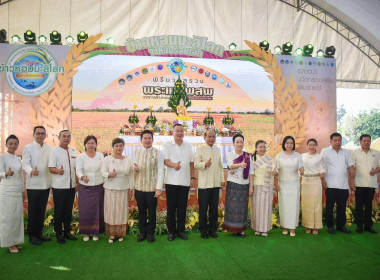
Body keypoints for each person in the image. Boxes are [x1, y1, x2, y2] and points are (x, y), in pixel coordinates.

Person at [163, 124, 196, 241]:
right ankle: (171, 232)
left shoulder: (188, 146)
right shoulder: (167, 145)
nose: (179, 133)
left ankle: (181, 231)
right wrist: (174, 165)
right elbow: (165, 161)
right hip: (171, 181)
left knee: (182, 208)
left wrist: (193, 178)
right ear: (173, 132)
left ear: (184, 133)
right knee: (171, 208)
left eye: (181, 131)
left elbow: (192, 163)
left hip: (184, 181)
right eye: (177, 131)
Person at [22, 126, 52, 245]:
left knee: (41, 210)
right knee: (33, 210)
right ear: (33, 134)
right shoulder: (28, 147)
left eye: (42, 133)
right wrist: (31, 171)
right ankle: (32, 235)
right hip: (33, 185)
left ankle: (39, 233)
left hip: (45, 184)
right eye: (38, 133)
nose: (40, 135)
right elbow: (25, 163)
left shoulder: (49, 147)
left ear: (45, 135)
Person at [134, 130, 164, 243]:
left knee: (152, 211)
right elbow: (134, 167)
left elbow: (161, 171)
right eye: (145, 138)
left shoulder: (158, 153)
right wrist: (134, 168)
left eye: (149, 138)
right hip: (139, 187)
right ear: (141, 140)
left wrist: (158, 188)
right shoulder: (136, 152)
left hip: (152, 188)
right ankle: (143, 232)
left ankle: (151, 233)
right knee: (141, 211)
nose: (147, 140)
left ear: (152, 140)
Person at [101, 138, 133, 243]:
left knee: (121, 211)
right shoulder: (107, 159)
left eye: (121, 145)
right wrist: (110, 174)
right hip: (110, 188)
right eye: (117, 146)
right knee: (111, 210)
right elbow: (103, 173)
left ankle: (120, 233)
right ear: (113, 147)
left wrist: (130, 188)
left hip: (123, 188)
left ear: (123, 147)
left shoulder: (127, 159)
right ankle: (112, 233)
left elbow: (130, 174)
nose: (119, 148)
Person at [321, 132, 354, 234]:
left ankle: (341, 226)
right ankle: (330, 226)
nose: (337, 142)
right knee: (330, 206)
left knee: (342, 207)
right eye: (335, 140)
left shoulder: (346, 152)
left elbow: (350, 164)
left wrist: (352, 171)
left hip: (343, 185)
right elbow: (321, 166)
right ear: (330, 141)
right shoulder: (325, 151)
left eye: (339, 140)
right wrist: (323, 181)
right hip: (330, 184)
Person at [49, 130, 78, 243]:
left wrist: (77, 183)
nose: (66, 138)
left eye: (68, 136)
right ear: (59, 137)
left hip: (71, 186)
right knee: (59, 211)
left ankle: (67, 232)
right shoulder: (54, 151)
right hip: (59, 187)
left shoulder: (73, 151)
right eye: (64, 136)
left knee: (68, 211)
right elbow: (51, 168)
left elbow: (75, 169)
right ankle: (58, 234)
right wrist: (58, 171)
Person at [195, 130, 225, 239]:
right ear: (204, 137)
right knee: (203, 209)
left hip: (216, 184)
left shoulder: (217, 149)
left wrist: (222, 179)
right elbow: (196, 164)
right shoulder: (200, 148)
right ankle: (203, 231)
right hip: (204, 184)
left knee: (214, 209)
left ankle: (212, 230)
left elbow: (220, 166)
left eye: (213, 136)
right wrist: (205, 164)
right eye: (209, 136)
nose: (212, 138)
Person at [273, 136, 304, 237]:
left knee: (294, 206)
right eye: (287, 143)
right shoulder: (279, 156)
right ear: (284, 144)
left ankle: (292, 228)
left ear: (293, 144)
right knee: (284, 206)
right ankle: (285, 227)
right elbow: (276, 170)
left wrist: (302, 171)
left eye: (291, 143)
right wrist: (275, 173)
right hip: (283, 184)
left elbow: (301, 168)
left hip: (294, 184)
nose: (289, 145)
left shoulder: (298, 155)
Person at [224, 134, 254, 237]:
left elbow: (251, 171)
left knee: (242, 207)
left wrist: (251, 186)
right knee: (232, 206)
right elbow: (230, 166)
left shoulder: (248, 156)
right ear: (233, 144)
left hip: (244, 184)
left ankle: (241, 230)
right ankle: (233, 229)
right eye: (237, 142)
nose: (239, 144)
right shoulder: (230, 154)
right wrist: (240, 164)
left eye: (241, 142)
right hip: (233, 184)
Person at [76, 135, 105, 241]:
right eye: (88, 143)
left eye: (93, 143)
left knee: (98, 210)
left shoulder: (101, 156)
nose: (91, 145)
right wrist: (82, 177)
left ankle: (96, 233)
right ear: (85, 145)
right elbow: (78, 170)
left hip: (98, 186)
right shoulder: (81, 157)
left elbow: (104, 169)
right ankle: (86, 233)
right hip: (85, 187)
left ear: (96, 145)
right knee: (85, 210)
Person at [0, 135, 24, 253]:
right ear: (6, 144)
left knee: (16, 218)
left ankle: (15, 241)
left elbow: (20, 177)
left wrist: (23, 191)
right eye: (10, 143)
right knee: (8, 218)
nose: (13, 146)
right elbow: (0, 173)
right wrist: (6, 174)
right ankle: (9, 243)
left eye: (15, 144)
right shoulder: (2, 157)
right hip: (7, 191)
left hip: (17, 190)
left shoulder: (18, 159)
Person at [351, 134, 380, 234]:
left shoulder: (376, 153)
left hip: (371, 184)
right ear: (360, 142)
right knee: (359, 205)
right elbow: (352, 168)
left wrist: (375, 171)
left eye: (368, 141)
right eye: (364, 141)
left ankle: (368, 226)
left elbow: (379, 166)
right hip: (359, 183)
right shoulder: (354, 153)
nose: (366, 142)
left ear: (370, 141)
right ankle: (359, 226)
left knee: (369, 206)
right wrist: (351, 182)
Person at [301, 138, 326, 235]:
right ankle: (308, 225)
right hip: (305, 181)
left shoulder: (319, 157)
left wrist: (322, 174)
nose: (312, 147)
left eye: (314, 145)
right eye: (310, 145)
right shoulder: (302, 156)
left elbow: (322, 169)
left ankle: (316, 226)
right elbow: (300, 169)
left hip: (316, 181)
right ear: (307, 146)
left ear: (316, 146)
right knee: (306, 204)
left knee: (316, 203)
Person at [250, 140, 275, 237]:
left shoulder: (271, 159)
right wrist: (251, 186)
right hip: (256, 185)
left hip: (267, 186)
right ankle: (257, 228)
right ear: (256, 148)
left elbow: (274, 170)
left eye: (264, 147)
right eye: (260, 147)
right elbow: (250, 173)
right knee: (256, 208)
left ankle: (264, 229)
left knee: (266, 207)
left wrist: (275, 173)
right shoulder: (252, 159)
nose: (262, 149)